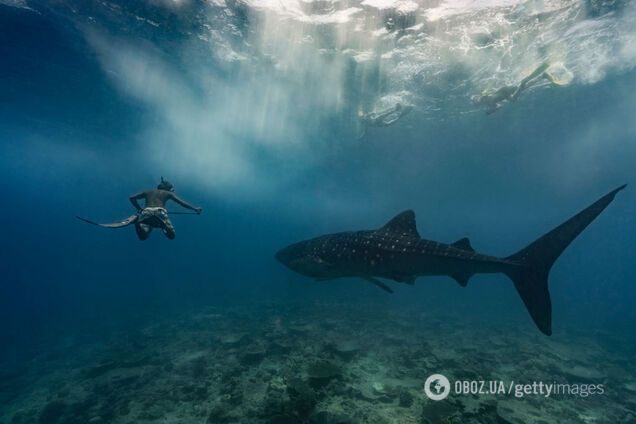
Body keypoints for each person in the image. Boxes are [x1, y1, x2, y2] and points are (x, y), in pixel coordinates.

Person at [129, 177, 202, 240]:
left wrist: (139, 208)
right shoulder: (168, 193)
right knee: (171, 235)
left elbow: (132, 198)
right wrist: (194, 209)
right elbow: (182, 203)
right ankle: (164, 226)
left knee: (143, 236)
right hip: (160, 212)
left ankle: (136, 222)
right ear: (167, 188)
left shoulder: (148, 192)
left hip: (146, 212)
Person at [473, 62, 560, 114]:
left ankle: (525, 80)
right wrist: (491, 111)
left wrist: (486, 94)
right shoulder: (488, 104)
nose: (479, 102)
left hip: (505, 90)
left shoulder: (484, 96)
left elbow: (489, 91)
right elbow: (498, 106)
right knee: (523, 89)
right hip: (506, 95)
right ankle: (542, 76)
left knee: (517, 94)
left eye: (477, 100)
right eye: (477, 102)